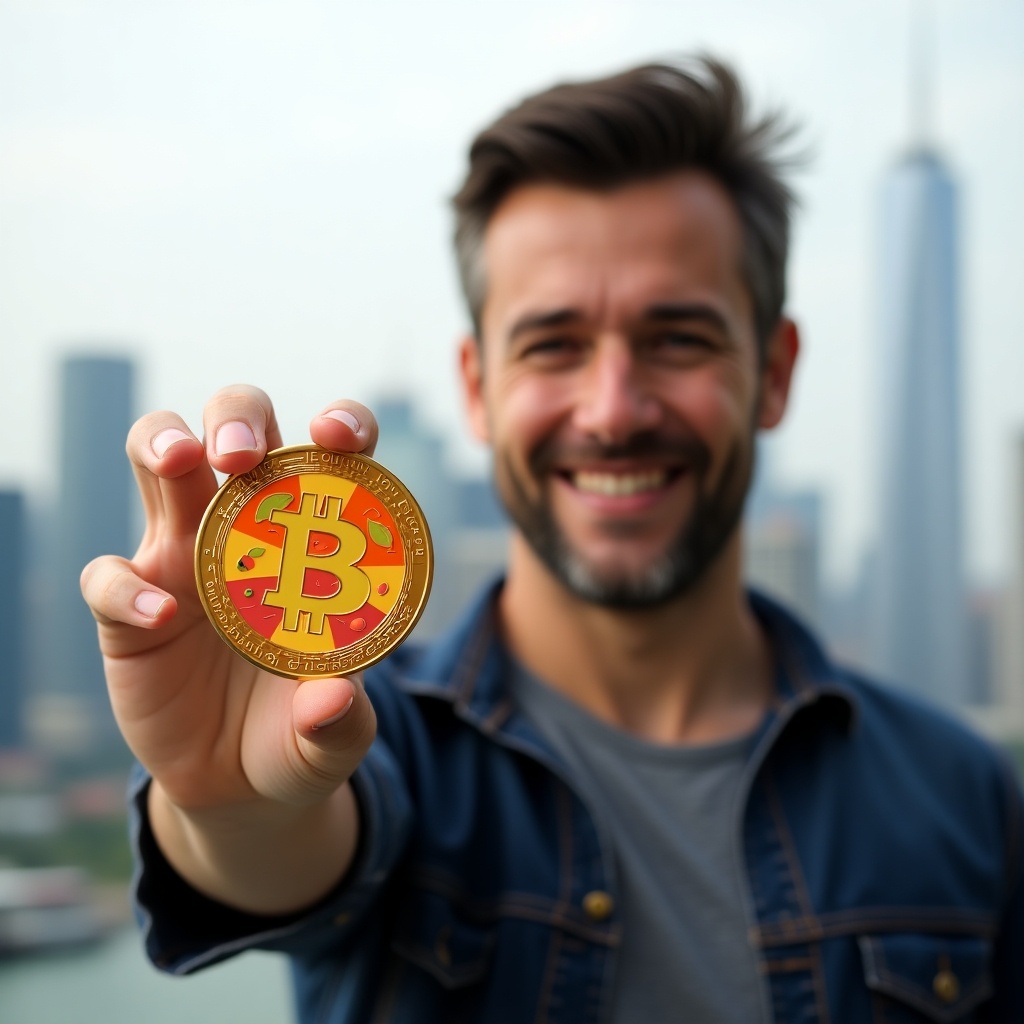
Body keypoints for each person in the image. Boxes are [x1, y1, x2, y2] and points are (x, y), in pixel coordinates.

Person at [82, 56, 1022, 1023]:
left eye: (678, 338)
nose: (613, 410)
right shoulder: (376, 734)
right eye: (553, 345)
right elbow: (294, 840)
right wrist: (226, 805)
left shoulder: (962, 789)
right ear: (477, 384)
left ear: (774, 372)